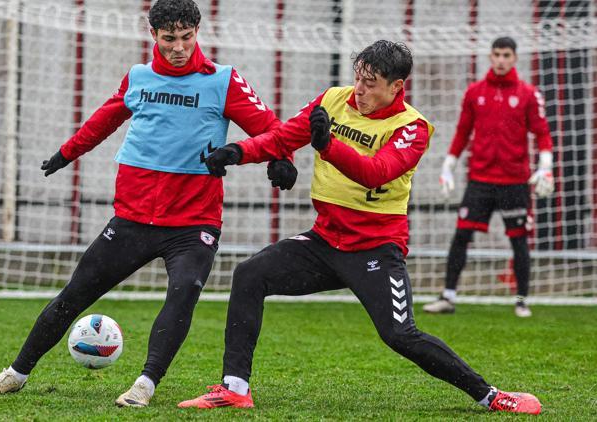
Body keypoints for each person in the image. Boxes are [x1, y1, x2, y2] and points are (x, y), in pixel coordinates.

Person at [176, 40, 542, 415]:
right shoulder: (333, 100)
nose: (360, 89)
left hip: (376, 249)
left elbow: (375, 173)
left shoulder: (412, 127)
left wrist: (327, 146)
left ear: (397, 86)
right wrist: (238, 152)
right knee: (250, 274)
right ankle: (235, 388)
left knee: (400, 335)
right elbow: (283, 137)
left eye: (371, 82)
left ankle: (491, 395)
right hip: (324, 241)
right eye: (358, 78)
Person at [0, 0, 297, 408]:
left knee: (183, 293)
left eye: (186, 37)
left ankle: (145, 383)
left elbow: (272, 128)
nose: (178, 46)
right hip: (132, 219)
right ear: (153, 36)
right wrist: (66, 153)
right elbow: (104, 119)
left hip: (193, 223)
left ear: (197, 31)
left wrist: (282, 158)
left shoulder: (223, 80)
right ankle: (15, 373)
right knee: (73, 295)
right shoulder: (139, 78)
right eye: (169, 39)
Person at [423, 37, 554, 318]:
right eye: (496, 54)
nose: (501, 60)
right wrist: (448, 167)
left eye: (506, 54)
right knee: (461, 235)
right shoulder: (474, 92)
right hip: (480, 179)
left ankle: (521, 300)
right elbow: (462, 132)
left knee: (518, 240)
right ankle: (447, 297)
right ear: (490, 57)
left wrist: (545, 166)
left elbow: (542, 133)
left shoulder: (529, 94)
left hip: (515, 181)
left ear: (514, 57)